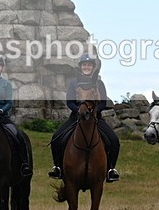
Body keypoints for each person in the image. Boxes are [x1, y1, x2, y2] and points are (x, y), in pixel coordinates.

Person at [48, 54, 121, 183]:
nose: (86, 67)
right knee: (56, 138)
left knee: (114, 140)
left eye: (89, 65)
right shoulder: (74, 83)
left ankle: (111, 169)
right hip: (76, 117)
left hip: (95, 118)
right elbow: (70, 102)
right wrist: (79, 111)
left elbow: (103, 103)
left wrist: (93, 112)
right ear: (81, 67)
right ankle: (58, 167)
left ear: (93, 67)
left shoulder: (99, 83)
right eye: (84, 65)